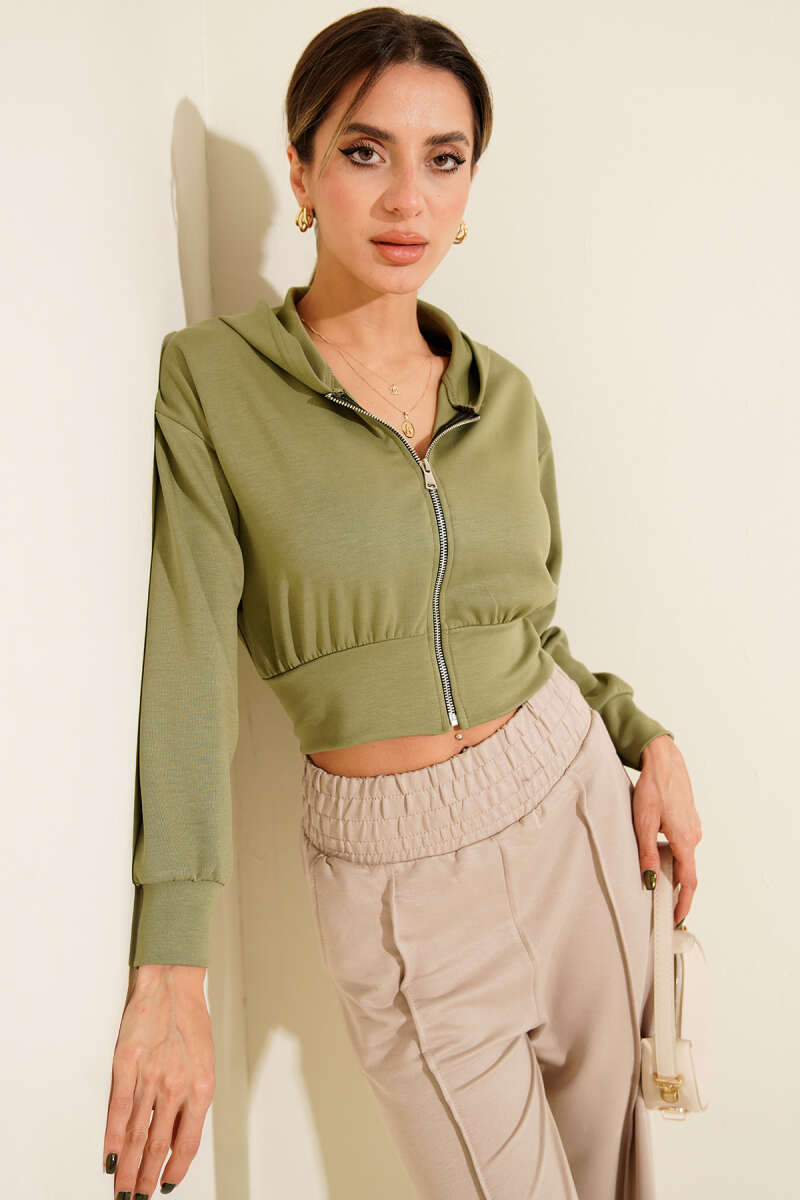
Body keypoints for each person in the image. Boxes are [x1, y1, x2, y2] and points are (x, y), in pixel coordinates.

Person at [103, 7, 703, 1199]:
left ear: (470, 184)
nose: (405, 200)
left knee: (620, 1184)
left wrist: (643, 737)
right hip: (394, 879)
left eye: (443, 158)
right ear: (301, 170)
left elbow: (524, 630)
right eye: (365, 151)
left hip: (573, 809)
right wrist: (171, 962)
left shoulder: (504, 397)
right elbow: (186, 663)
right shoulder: (213, 384)